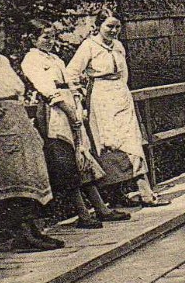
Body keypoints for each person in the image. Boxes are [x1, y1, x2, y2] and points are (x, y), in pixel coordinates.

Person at [21, 24, 127, 229]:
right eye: (45, 37)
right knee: (65, 162)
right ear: (33, 39)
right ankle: (82, 213)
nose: (49, 41)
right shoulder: (31, 59)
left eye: (52, 37)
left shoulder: (56, 59)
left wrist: (77, 103)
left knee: (83, 157)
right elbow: (46, 88)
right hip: (54, 111)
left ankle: (101, 208)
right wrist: (69, 111)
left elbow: (70, 82)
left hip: (69, 105)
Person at [0, 21, 63, 252]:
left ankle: (33, 231)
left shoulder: (3, 61)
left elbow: (16, 89)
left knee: (30, 175)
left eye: (1, 42)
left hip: (18, 120)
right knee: (11, 178)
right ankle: (22, 235)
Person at [67, 11, 169, 207]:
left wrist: (122, 90)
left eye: (117, 27)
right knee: (109, 144)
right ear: (98, 26)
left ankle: (146, 193)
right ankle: (116, 196)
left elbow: (124, 74)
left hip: (121, 96)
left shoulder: (118, 46)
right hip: (101, 99)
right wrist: (78, 96)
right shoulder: (89, 46)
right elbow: (71, 73)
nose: (114, 31)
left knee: (132, 142)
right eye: (109, 26)